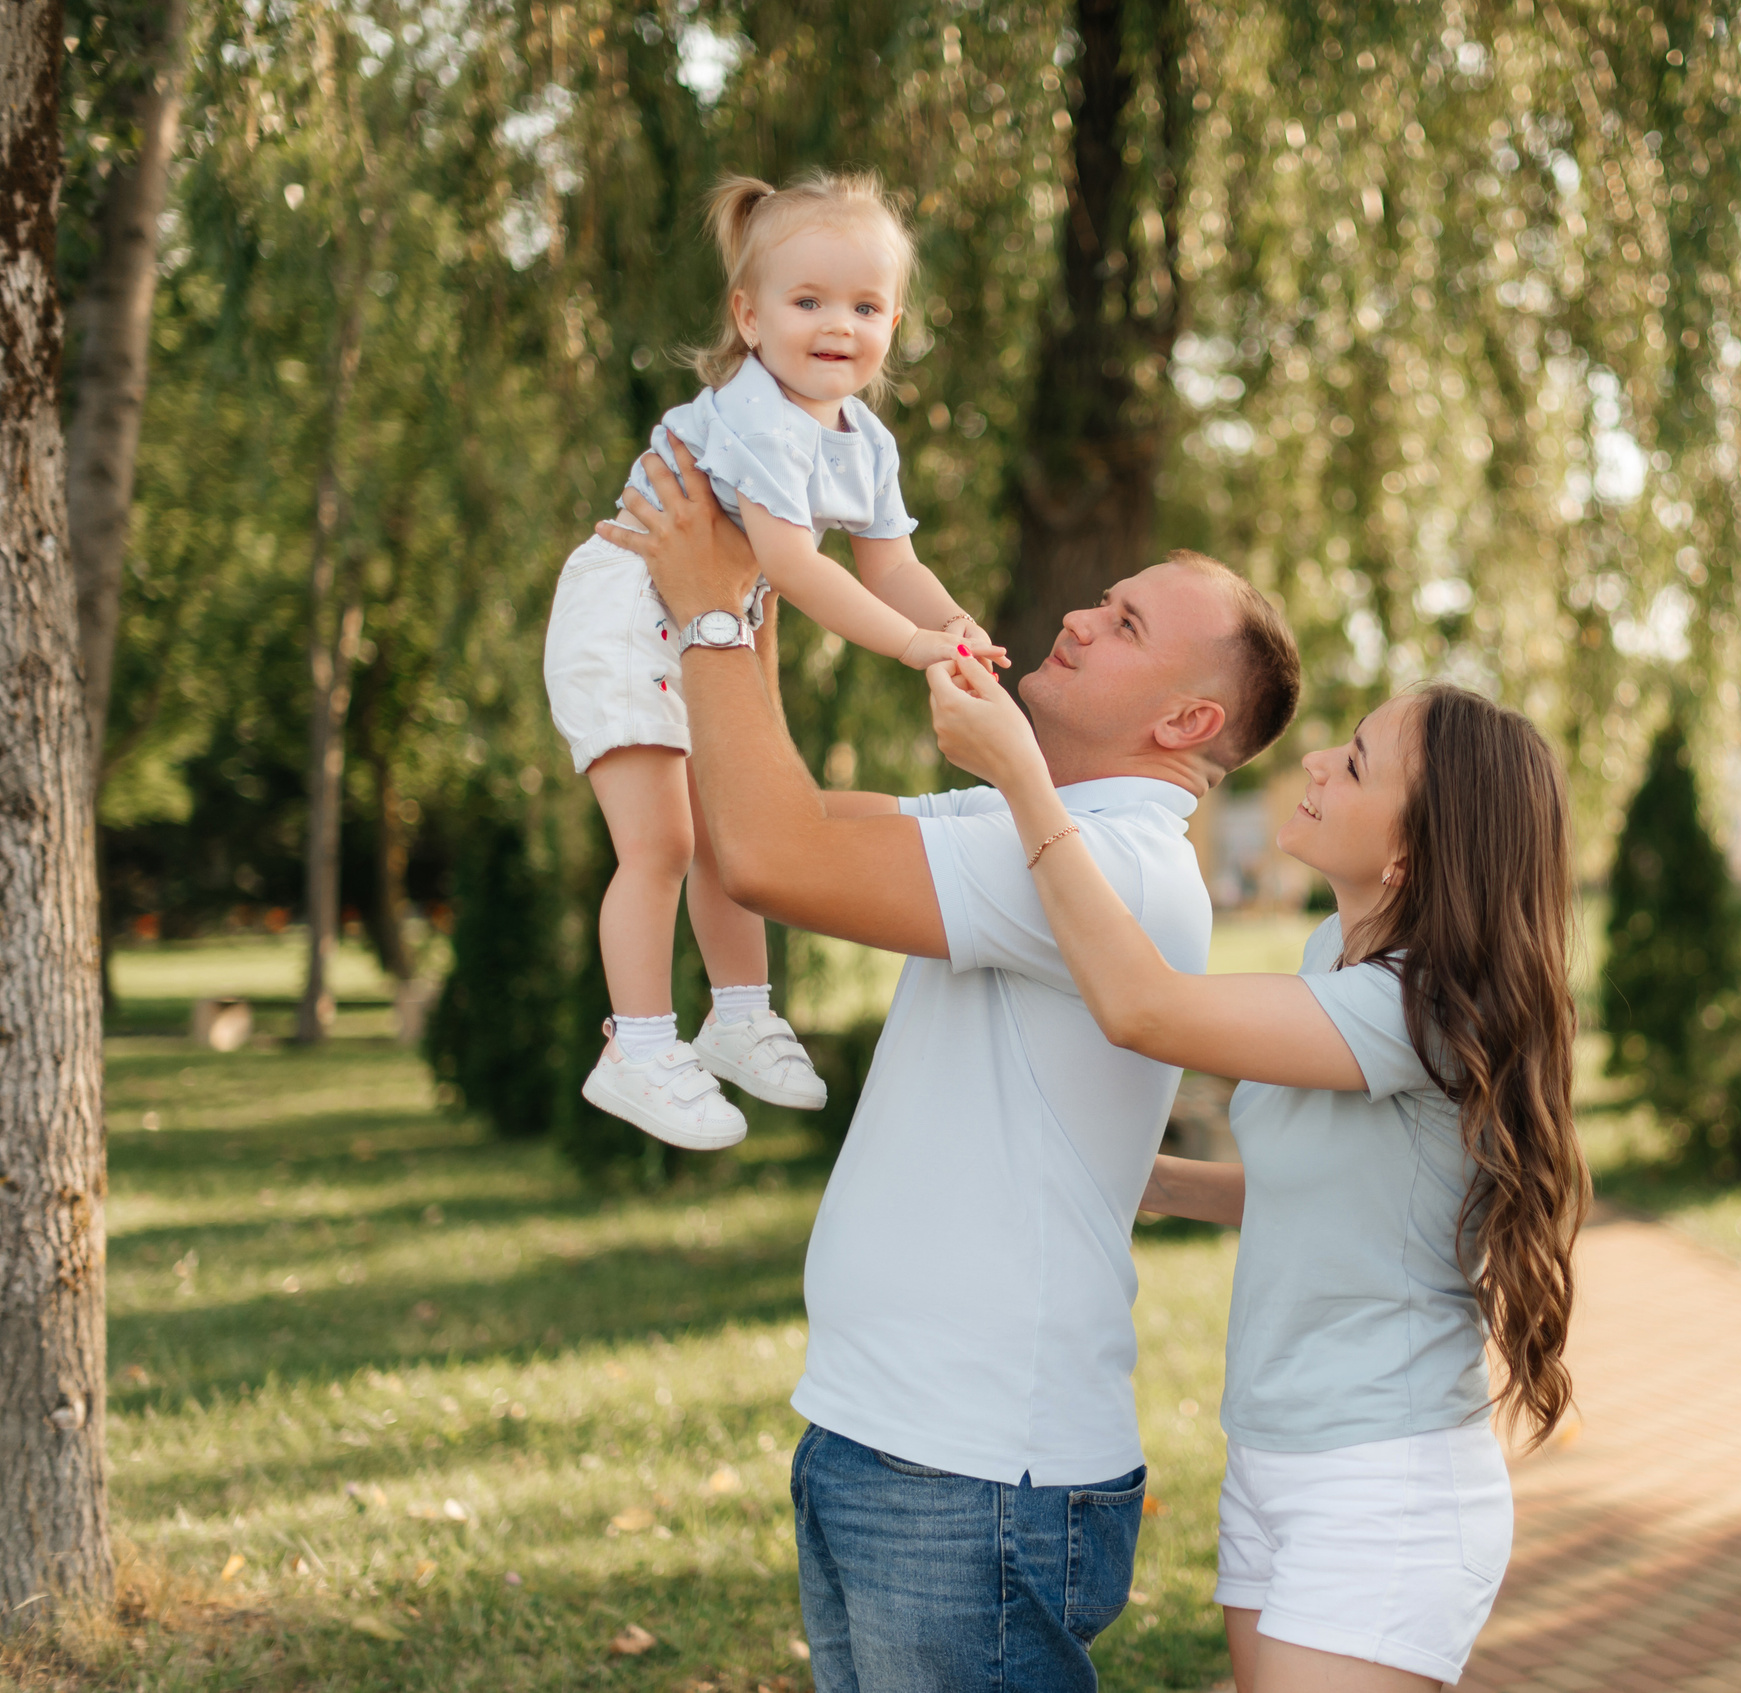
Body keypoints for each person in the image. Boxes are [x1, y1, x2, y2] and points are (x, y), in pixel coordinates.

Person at [592, 432, 1303, 1693]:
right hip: (886, 1439)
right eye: (1101, 596)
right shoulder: (1032, 826)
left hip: (973, 1474)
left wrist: (713, 604)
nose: (1080, 616)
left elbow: (769, 860)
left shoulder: (1118, 866)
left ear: (1187, 718)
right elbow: (762, 823)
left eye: (1125, 620)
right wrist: (758, 583)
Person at [930, 653, 1590, 1693]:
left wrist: (1022, 779)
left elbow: (1141, 1005)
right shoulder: (1334, 947)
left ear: (1411, 852)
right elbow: (1325, 1196)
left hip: (1382, 1483)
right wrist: (1133, 1173)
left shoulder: (1417, 1011)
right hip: (1274, 1456)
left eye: (1358, 763)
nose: (1318, 760)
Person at [544, 169, 1003, 1154]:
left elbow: (892, 562)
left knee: (726, 827)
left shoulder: (863, 439)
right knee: (660, 841)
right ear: (748, 319)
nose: (838, 324)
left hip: (710, 612)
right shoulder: (757, 413)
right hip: (630, 607)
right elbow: (793, 567)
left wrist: (954, 626)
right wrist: (911, 644)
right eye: (809, 302)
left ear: (894, 322)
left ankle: (739, 1012)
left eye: (865, 305)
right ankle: (636, 1043)